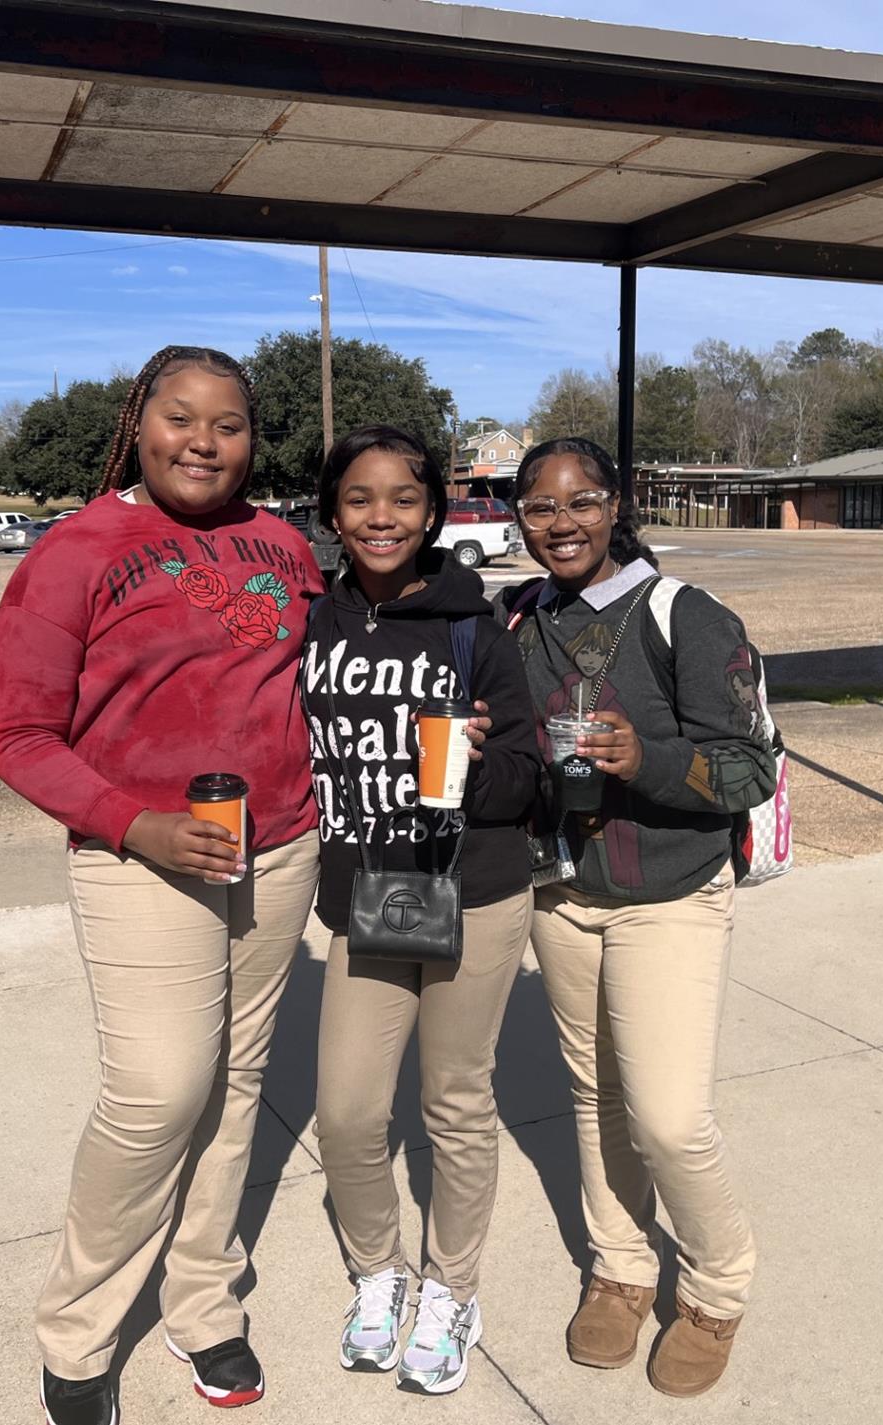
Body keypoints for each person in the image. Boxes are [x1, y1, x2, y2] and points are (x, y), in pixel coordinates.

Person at [0, 346, 323, 1425]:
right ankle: (78, 1336)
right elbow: (17, 736)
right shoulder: (76, 552)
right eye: (181, 417)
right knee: (158, 1096)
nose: (204, 442)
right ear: (139, 422)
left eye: (228, 424)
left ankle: (204, 1299)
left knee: (235, 1090)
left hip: (277, 853)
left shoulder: (280, 544)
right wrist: (137, 824)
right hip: (142, 862)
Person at [498, 436, 775, 1399]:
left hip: (669, 894)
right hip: (561, 896)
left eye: (580, 502)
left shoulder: (684, 616)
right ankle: (620, 1268)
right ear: (518, 517)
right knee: (596, 1096)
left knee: (668, 1116)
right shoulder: (517, 618)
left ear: (616, 505)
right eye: (539, 507)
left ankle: (717, 1286)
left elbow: (752, 766)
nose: (561, 523)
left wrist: (643, 760)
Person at [302, 426, 540, 1396]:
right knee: (349, 1109)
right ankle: (378, 1275)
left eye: (403, 498)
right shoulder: (313, 624)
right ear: (332, 513)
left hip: (472, 887)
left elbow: (527, 775)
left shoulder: (473, 630)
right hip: (369, 892)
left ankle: (451, 1290)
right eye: (360, 499)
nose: (382, 517)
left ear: (432, 510)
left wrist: (481, 766)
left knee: (454, 1101)